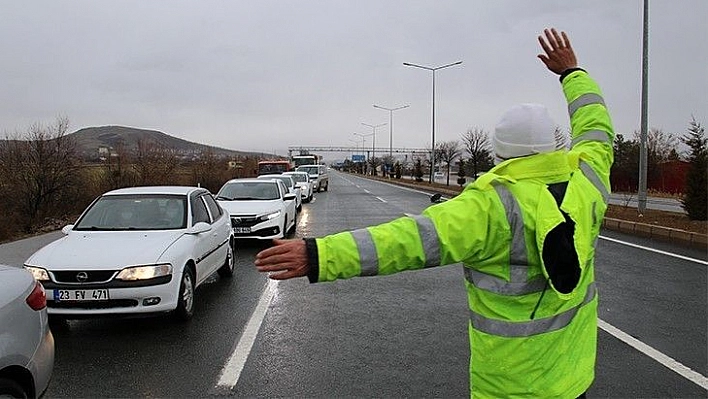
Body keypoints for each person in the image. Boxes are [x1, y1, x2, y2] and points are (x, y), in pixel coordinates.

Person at [255, 27, 614, 399]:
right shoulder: (588, 179)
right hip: (574, 381)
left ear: (499, 154)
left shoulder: (489, 207)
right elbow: (596, 128)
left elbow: (404, 242)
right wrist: (573, 72)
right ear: (556, 144)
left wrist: (318, 255)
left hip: (511, 387)